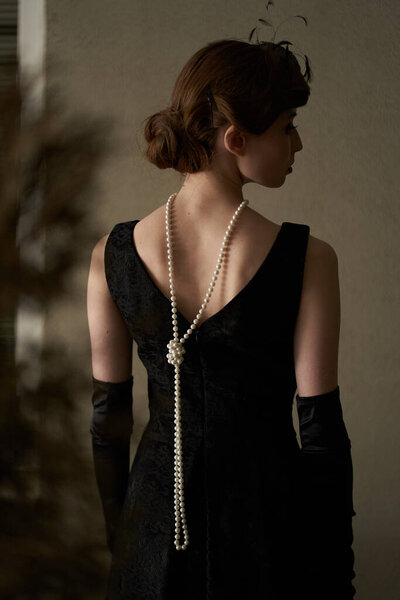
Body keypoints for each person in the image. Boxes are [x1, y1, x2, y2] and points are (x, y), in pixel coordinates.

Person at [87, 37, 356, 600]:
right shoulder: (308, 260)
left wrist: (125, 550)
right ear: (235, 138)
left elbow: (108, 425)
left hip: (150, 534)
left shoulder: (111, 255)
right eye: (287, 125)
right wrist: (336, 579)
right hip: (271, 537)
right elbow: (321, 437)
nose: (298, 142)